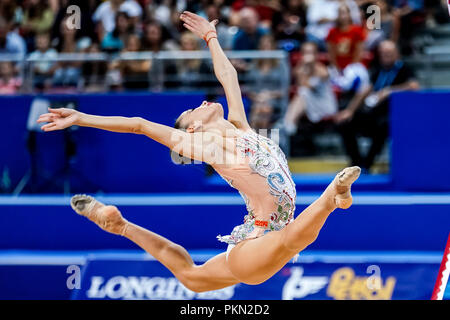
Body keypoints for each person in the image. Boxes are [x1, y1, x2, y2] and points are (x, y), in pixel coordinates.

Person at [37, 11, 361, 291]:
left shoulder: (240, 126)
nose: (203, 102)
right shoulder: (205, 146)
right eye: (193, 110)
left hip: (267, 238)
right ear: (192, 129)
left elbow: (228, 76)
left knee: (191, 278)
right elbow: (137, 123)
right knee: (295, 239)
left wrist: (210, 37)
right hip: (262, 243)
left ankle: (120, 225)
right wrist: (82, 117)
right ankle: (332, 197)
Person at [334, 40, 419, 171]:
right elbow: (365, 90)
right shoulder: (377, 69)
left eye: (389, 53)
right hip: (373, 112)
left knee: (383, 126)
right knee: (345, 123)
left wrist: (389, 91)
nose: (386, 56)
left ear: (396, 53)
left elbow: (414, 86)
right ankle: (356, 162)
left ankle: (368, 164)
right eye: (383, 53)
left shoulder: (404, 68)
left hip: (392, 115)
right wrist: (350, 110)